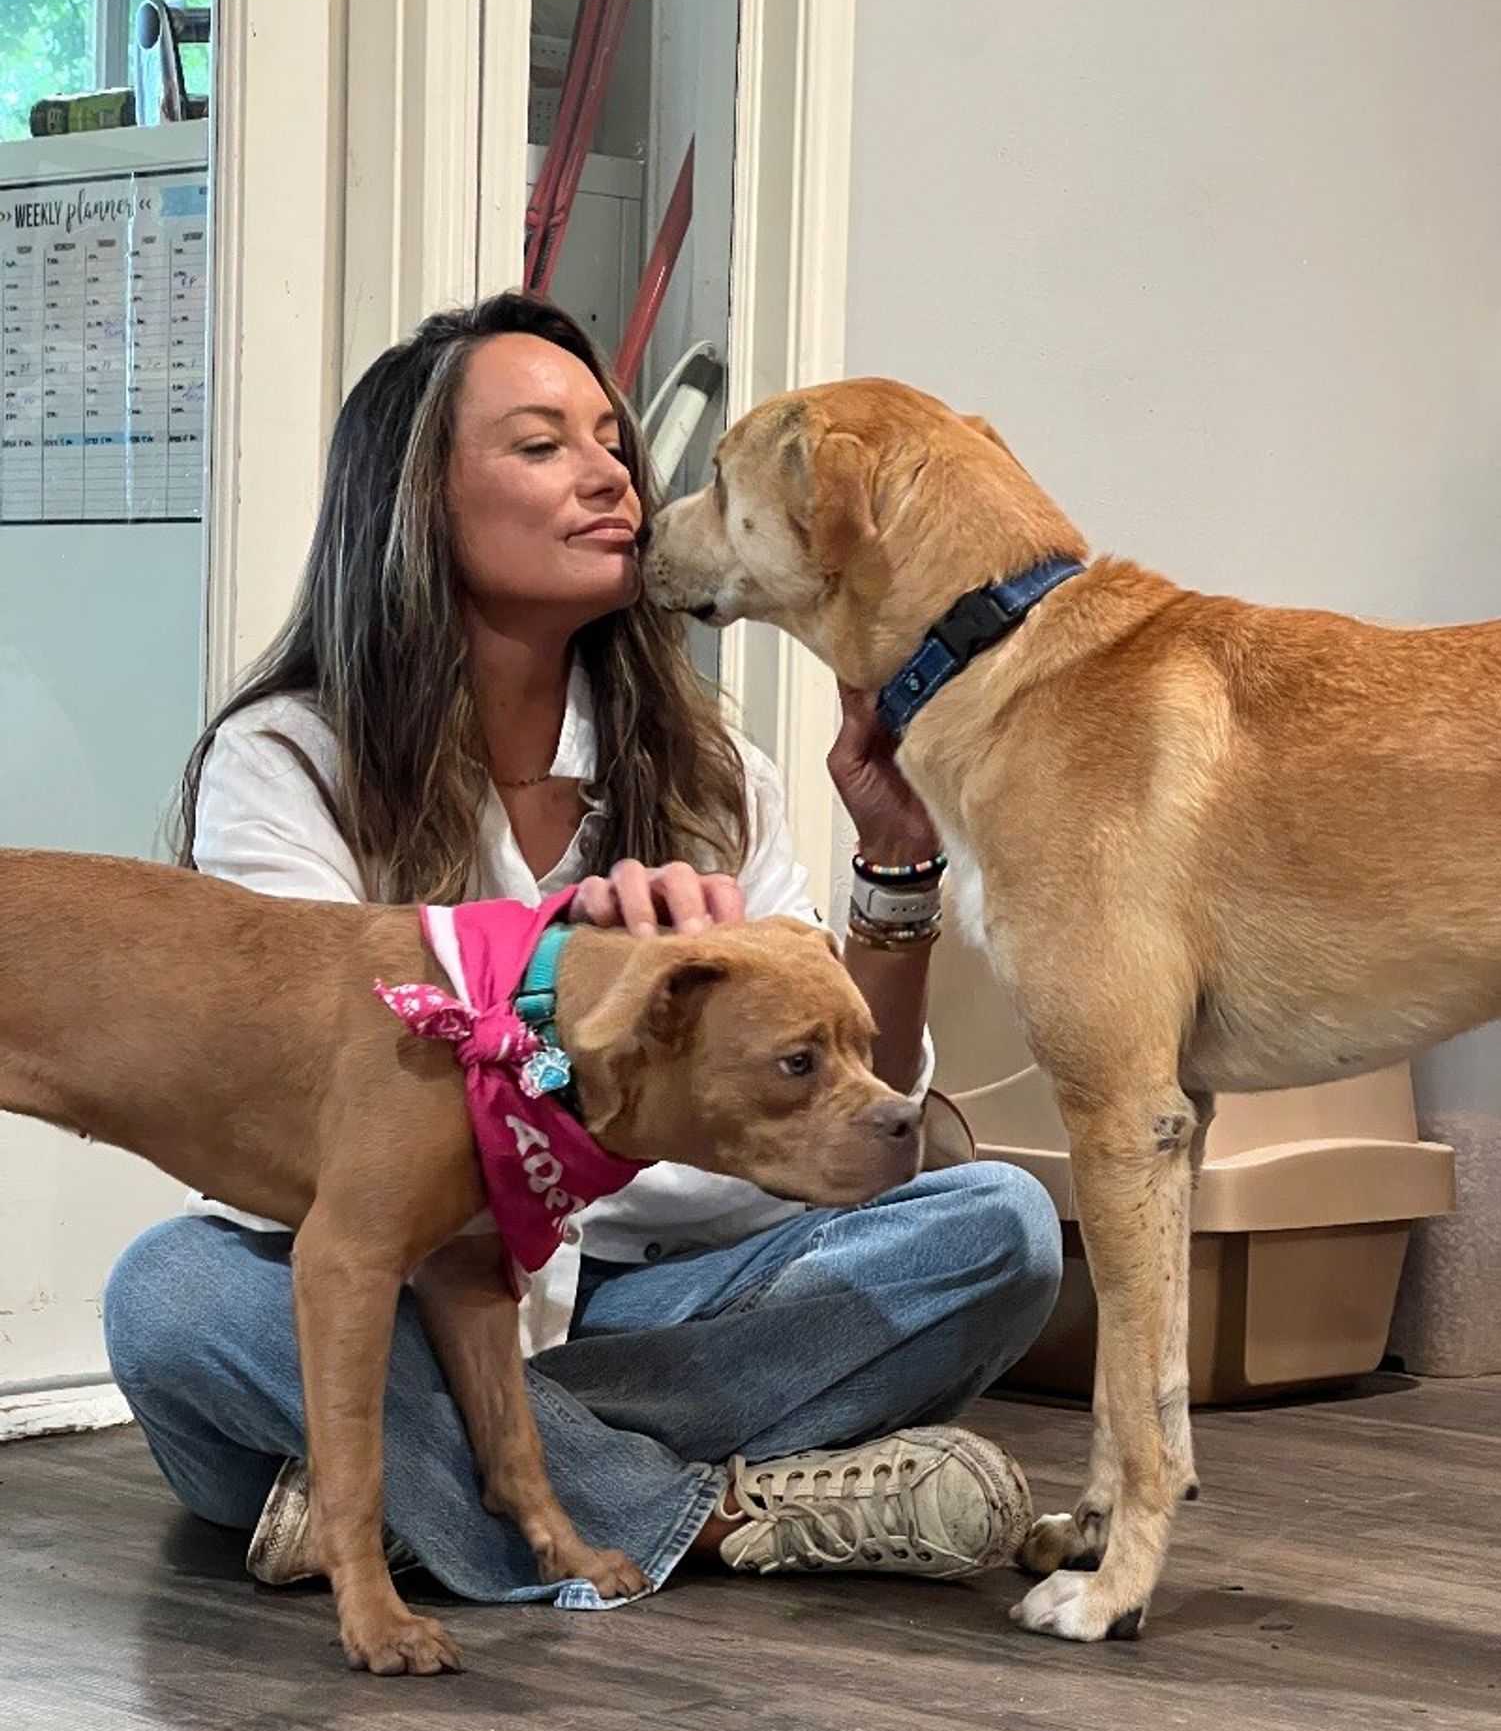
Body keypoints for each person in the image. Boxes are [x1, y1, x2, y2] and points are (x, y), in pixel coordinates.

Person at [101, 291, 1063, 1604]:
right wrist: (571, 974)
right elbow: (301, 1128)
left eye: (612, 440)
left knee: (994, 1226)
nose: (610, 471)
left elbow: (859, 1118)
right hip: (388, 1305)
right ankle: (712, 1511)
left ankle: (412, 1496)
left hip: (656, 1298)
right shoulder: (289, 763)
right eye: (542, 444)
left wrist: (894, 862)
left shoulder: (719, 773)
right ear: (417, 501)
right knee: (179, 1302)